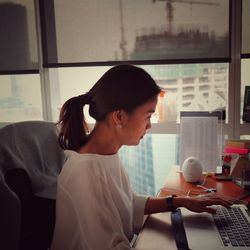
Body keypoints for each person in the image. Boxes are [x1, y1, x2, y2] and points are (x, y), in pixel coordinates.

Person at [51, 64, 232, 250]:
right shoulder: (85, 170)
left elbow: (130, 204)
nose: (149, 126)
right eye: (148, 116)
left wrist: (181, 201)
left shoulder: (105, 156)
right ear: (119, 116)